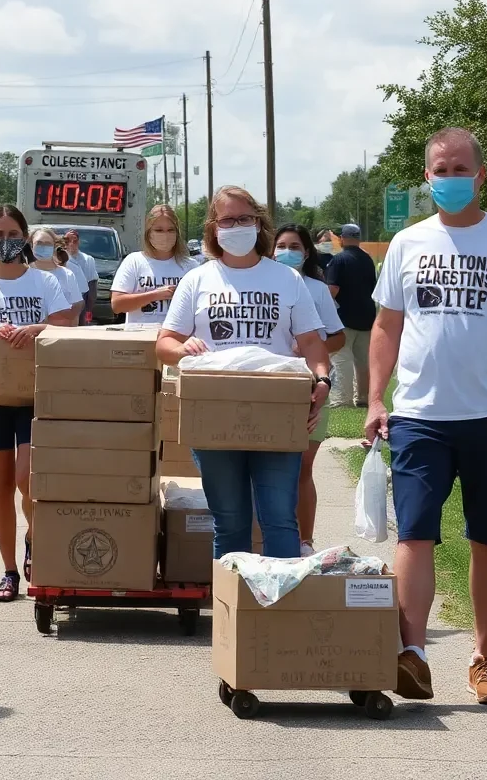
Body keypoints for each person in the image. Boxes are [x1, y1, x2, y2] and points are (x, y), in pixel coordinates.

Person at [365, 126, 487, 706]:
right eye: (439, 170)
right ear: (427, 177)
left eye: (459, 169)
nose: (449, 178)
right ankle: (414, 655)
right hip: (421, 416)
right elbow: (386, 325)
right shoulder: (407, 243)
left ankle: (484, 658)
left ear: (481, 176)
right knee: (415, 534)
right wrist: (376, 399)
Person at [157, 186, 332, 558]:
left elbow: (314, 345)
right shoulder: (198, 280)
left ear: (258, 223)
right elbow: (165, 343)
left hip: (276, 411)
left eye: (244, 218)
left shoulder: (287, 280)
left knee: (279, 518)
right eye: (227, 220)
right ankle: (232, 612)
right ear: (213, 228)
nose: (236, 226)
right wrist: (182, 348)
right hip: (214, 414)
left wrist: (322, 379)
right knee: (230, 521)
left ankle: (280, 614)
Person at [0, 206, 70, 601]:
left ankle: (34, 542)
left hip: (36, 391)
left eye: (14, 232)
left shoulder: (44, 281)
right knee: (1, 485)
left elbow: (67, 325)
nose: (7, 240)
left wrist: (33, 328)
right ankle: (8, 572)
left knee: (29, 478)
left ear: (26, 236)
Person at [272, 223, 346, 556]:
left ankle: (305, 541)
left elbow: (339, 336)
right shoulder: (264, 283)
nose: (287, 252)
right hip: (272, 386)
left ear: (306, 252)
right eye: (281, 245)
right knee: (270, 469)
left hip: (312, 388)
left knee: (302, 467)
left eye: (295, 247)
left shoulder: (316, 290)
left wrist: (313, 350)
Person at [111, 204, 195, 325]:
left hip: (177, 339)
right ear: (149, 233)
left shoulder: (191, 266)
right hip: (139, 337)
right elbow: (117, 305)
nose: (165, 235)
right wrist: (155, 295)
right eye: (159, 230)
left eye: (170, 230)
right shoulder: (134, 261)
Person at [326, 223, 377, 409]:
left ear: (342, 238)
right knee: (362, 360)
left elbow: (332, 289)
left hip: (343, 318)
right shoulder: (368, 260)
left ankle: (342, 400)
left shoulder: (339, 260)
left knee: (341, 359)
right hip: (367, 317)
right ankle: (363, 397)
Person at [30, 228, 83, 325]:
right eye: (39, 243)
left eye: (47, 244)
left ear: (54, 247)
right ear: (31, 246)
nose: (43, 247)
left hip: (58, 334)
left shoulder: (67, 275)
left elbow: (75, 313)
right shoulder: (23, 274)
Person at [64, 230, 98, 324]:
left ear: (78, 242)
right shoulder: (59, 258)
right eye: (68, 241)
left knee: (82, 326)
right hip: (64, 298)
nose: (71, 244)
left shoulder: (88, 259)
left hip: (82, 298)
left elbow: (92, 286)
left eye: (74, 241)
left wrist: (89, 310)